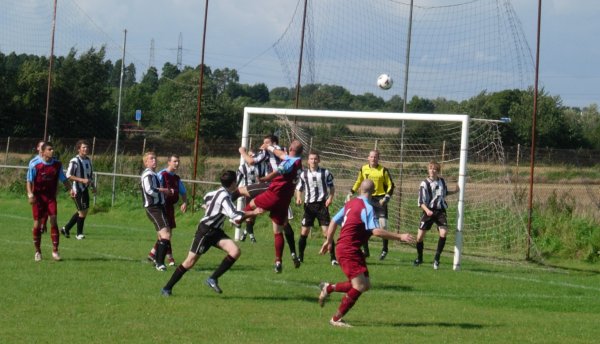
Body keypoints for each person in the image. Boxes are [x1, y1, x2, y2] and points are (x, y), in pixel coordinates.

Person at [318, 179, 415, 327]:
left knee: (366, 284)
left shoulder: (350, 203)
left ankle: (328, 288)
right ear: (374, 192)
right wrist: (400, 236)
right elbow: (375, 231)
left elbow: (333, 221)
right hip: (348, 250)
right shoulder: (368, 208)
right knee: (359, 286)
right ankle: (336, 319)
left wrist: (329, 240)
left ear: (359, 190)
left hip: (350, 249)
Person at [160, 170, 263, 296]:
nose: (237, 184)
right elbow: (235, 216)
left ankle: (212, 278)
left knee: (235, 251)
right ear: (233, 183)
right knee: (189, 262)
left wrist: (207, 206)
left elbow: (206, 198)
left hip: (216, 231)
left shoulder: (218, 192)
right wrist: (253, 212)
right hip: (205, 231)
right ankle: (167, 288)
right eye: (236, 182)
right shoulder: (224, 197)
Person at [239, 135, 301, 269]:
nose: (263, 144)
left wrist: (242, 152)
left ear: (273, 143)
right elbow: (282, 156)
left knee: (243, 195)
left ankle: (235, 218)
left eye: (265, 142)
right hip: (285, 196)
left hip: (273, 189)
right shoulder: (292, 157)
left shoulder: (277, 154)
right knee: (281, 226)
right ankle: (284, 258)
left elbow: (252, 161)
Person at [26, 142, 74, 261]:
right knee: (37, 224)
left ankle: (55, 251)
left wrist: (70, 189)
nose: (52, 151)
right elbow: (29, 181)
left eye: (53, 149)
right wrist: (30, 194)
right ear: (42, 152)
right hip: (38, 198)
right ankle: (38, 251)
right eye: (49, 149)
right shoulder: (34, 164)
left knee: (53, 220)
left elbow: (64, 179)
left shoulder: (57, 164)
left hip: (50, 198)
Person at [347, 149, 395, 260]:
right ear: (368, 158)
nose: (373, 159)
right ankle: (366, 251)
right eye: (371, 157)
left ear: (378, 158)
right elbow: (358, 182)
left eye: (375, 157)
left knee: (383, 225)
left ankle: (384, 249)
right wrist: (351, 192)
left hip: (380, 200)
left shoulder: (383, 170)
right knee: (363, 226)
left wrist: (386, 197)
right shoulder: (363, 169)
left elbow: (390, 185)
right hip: (366, 199)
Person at [414, 160, 458, 270]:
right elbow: (420, 202)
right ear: (428, 170)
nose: (432, 170)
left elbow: (444, 193)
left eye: (434, 169)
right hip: (428, 211)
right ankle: (420, 258)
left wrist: (456, 191)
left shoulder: (442, 181)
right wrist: (427, 210)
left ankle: (437, 259)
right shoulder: (424, 183)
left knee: (444, 233)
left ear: (437, 171)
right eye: (430, 168)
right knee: (419, 238)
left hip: (440, 212)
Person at [295, 151, 337, 265]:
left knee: (327, 233)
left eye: (315, 159)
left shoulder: (325, 172)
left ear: (319, 160)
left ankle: (333, 259)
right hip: (309, 206)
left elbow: (331, 187)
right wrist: (298, 197)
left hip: (322, 205)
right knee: (304, 232)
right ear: (308, 161)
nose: (313, 161)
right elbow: (299, 188)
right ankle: (300, 257)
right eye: (311, 159)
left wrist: (330, 198)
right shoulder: (303, 174)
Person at [147, 154, 188, 266]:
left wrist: (185, 202)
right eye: (174, 161)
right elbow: (155, 189)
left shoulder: (176, 178)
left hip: (170, 207)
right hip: (161, 206)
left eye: (178, 161)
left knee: (167, 234)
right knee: (165, 233)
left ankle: (153, 253)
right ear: (168, 162)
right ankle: (169, 258)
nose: (177, 163)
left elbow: (183, 191)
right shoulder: (161, 174)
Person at [140, 151, 173, 271]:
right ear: (146, 162)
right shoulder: (147, 175)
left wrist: (166, 192)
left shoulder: (153, 174)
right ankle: (160, 263)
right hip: (153, 208)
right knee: (166, 235)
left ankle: (156, 259)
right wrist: (164, 190)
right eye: (151, 159)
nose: (154, 160)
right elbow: (149, 190)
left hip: (159, 207)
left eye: (155, 158)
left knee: (163, 235)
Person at [61, 140, 96, 240]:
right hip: (77, 190)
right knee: (82, 212)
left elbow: (90, 176)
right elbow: (68, 175)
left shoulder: (88, 161)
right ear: (78, 149)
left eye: (87, 147)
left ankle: (66, 228)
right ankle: (79, 234)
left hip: (85, 189)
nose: (86, 149)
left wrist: (93, 186)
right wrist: (81, 180)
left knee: (83, 211)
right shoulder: (74, 161)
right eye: (83, 147)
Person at [236, 149, 266, 243]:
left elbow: (265, 178)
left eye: (253, 156)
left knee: (254, 215)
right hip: (248, 193)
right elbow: (236, 181)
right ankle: (252, 238)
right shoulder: (242, 168)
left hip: (258, 192)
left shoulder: (261, 166)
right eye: (249, 156)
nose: (251, 158)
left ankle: (245, 234)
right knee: (250, 215)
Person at [28, 140, 48, 234]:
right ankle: (37, 228)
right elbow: (30, 179)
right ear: (37, 148)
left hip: (48, 192)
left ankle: (43, 225)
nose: (42, 149)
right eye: (41, 147)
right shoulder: (34, 162)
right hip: (37, 193)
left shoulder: (50, 160)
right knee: (37, 213)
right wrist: (31, 193)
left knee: (47, 211)